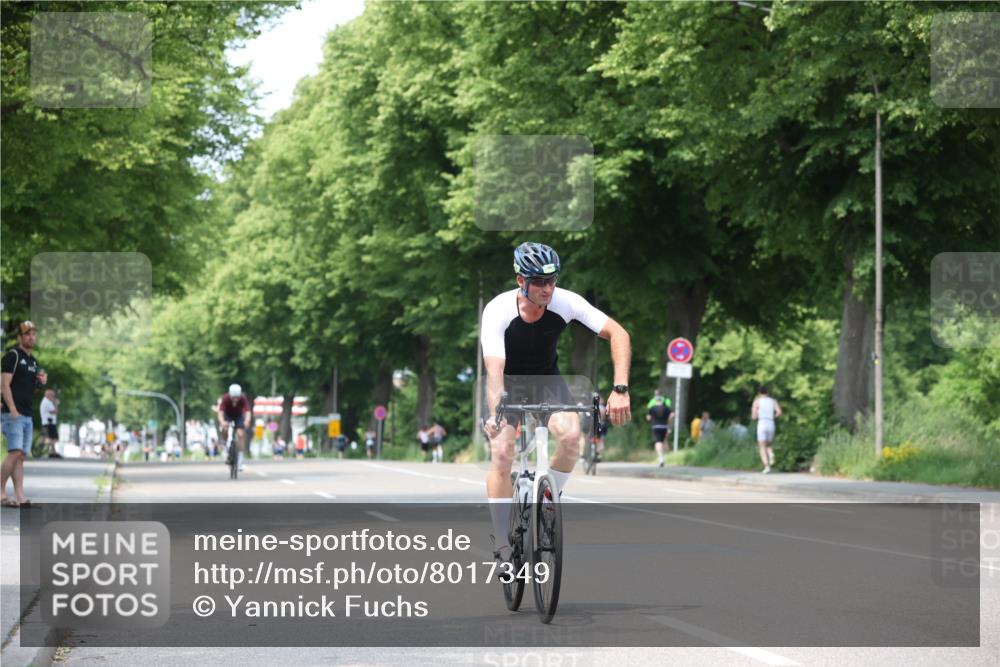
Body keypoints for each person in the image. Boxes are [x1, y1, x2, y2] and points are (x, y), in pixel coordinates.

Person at [481, 242, 632, 562]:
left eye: (552, 281)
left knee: (571, 435)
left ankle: (548, 500)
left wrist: (620, 388)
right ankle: (502, 544)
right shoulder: (497, 309)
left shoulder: (566, 301)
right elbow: (494, 369)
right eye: (539, 282)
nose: (548, 289)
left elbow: (618, 334)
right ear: (521, 281)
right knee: (502, 451)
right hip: (507, 382)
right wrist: (496, 412)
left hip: (548, 381)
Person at [1, 321, 47, 507]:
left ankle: (20, 496)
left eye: (33, 334)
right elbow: (4, 385)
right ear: (19, 337)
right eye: (27, 334)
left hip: (27, 414)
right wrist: (12, 409)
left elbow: (30, 389)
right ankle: (1, 492)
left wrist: (41, 384)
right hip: (13, 413)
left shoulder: (33, 362)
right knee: (15, 452)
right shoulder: (12, 356)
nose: (31, 337)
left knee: (20, 456)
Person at [217, 383, 251, 472]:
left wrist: (247, 420)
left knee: (240, 434)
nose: (235, 399)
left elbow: (247, 412)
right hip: (228, 415)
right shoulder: (225, 398)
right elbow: (220, 412)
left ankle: (240, 461)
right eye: (233, 397)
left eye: (237, 397)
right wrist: (222, 422)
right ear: (230, 395)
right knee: (225, 428)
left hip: (238, 416)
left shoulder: (243, 398)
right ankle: (225, 444)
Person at [751, 386, 782, 473]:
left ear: (759, 393)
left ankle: (766, 466)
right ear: (767, 392)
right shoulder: (773, 401)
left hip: (762, 423)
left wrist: (756, 415)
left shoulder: (757, 402)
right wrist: (773, 416)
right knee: (768, 444)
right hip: (771, 422)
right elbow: (779, 412)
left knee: (761, 446)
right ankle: (771, 454)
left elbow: (754, 417)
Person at [646, 394, 672, 467]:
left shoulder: (652, 408)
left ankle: (661, 458)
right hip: (664, 426)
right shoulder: (666, 408)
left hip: (656, 426)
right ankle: (665, 456)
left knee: (658, 442)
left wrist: (652, 419)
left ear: (656, 400)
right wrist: (668, 423)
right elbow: (672, 415)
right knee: (664, 441)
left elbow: (648, 418)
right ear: (661, 400)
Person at [40, 388, 61, 458]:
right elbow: (55, 411)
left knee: (52, 437)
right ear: (48, 395)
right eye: (52, 395)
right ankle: (44, 442)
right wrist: (56, 404)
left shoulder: (46, 401)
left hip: (49, 422)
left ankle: (52, 452)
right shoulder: (47, 402)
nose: (53, 397)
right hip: (49, 422)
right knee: (54, 439)